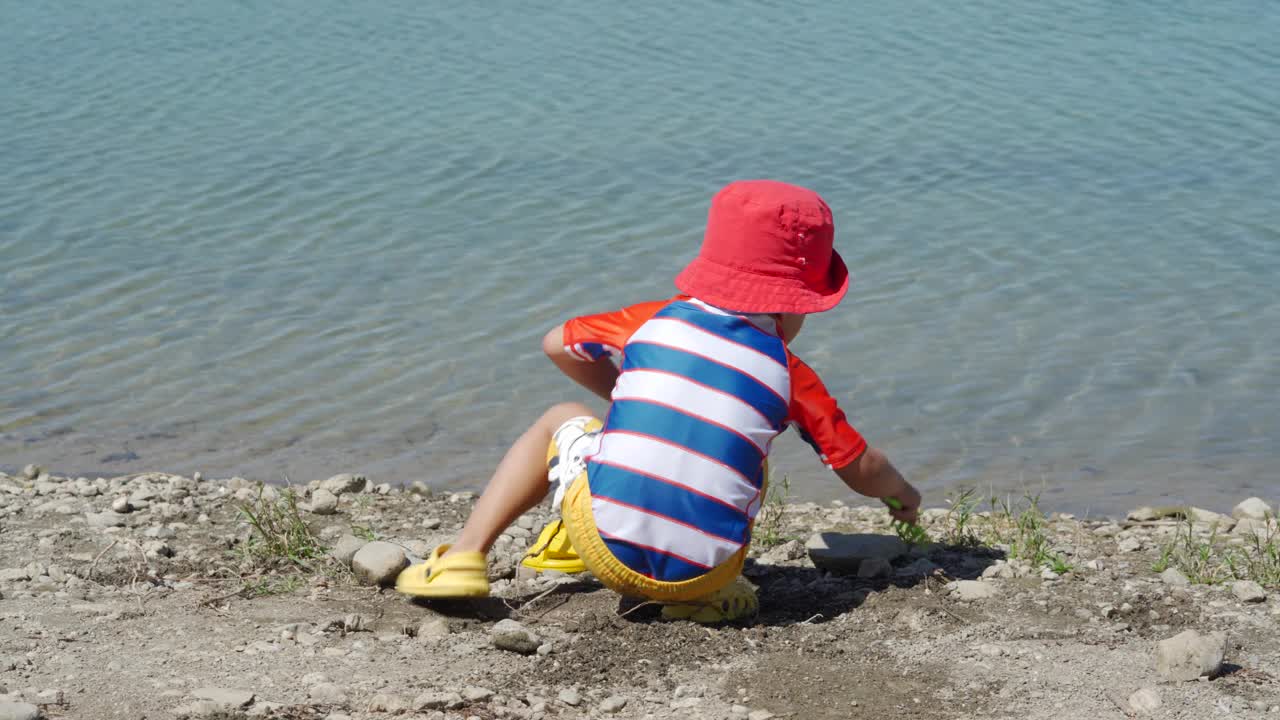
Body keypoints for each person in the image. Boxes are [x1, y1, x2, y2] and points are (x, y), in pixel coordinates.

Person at [395, 179, 921, 622]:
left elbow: (557, 343)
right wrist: (902, 496)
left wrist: (627, 394)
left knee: (560, 419)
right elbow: (860, 466)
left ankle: (464, 559)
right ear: (798, 302)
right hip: (709, 569)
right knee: (738, 448)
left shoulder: (653, 319)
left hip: (602, 545)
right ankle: (707, 593)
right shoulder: (789, 372)